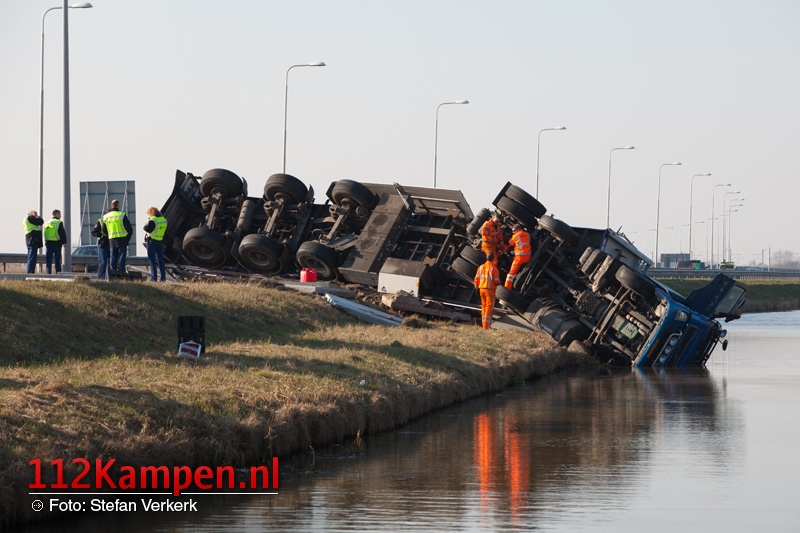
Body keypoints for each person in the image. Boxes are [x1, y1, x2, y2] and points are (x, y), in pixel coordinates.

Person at [102, 199, 133, 274]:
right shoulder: (122, 215)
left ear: (111, 206)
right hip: (122, 239)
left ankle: (113, 275)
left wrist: (109, 235)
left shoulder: (106, 216)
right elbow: (129, 229)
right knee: (121, 259)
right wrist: (127, 239)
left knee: (113, 258)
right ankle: (121, 274)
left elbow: (103, 229)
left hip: (112, 240)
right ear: (118, 206)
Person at [474, 252, 501, 330]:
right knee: (489, 307)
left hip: (481, 289)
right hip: (490, 290)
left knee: (484, 306)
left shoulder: (481, 267)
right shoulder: (494, 268)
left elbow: (476, 279)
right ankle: (486, 326)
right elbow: (496, 281)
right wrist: (499, 282)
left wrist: (476, 288)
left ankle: (484, 325)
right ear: (493, 258)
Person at [143, 206, 168, 282]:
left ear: (151, 213)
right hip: (160, 241)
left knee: (152, 260)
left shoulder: (153, 220)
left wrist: (147, 223)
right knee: (160, 260)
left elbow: (147, 229)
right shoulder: (164, 219)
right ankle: (163, 278)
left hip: (152, 241)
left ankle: (154, 278)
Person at [504, 223, 531, 289]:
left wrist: (508, 238)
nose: (513, 232)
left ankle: (507, 288)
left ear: (518, 229)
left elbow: (511, 243)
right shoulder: (527, 234)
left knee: (510, 274)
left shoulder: (516, 236)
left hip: (519, 258)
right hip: (528, 257)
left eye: (513, 231)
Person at [43, 209, 67, 274]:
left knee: (48, 260)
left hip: (48, 243)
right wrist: (64, 243)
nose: (60, 216)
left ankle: (48, 274)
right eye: (59, 214)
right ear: (56, 214)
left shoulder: (47, 222)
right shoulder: (59, 222)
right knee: (57, 260)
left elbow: (45, 232)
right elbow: (62, 233)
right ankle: (58, 274)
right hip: (56, 243)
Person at [91, 210, 111, 280]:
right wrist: (102, 236)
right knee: (103, 262)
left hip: (112, 244)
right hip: (103, 244)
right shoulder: (101, 221)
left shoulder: (113, 221)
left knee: (110, 263)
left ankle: (109, 279)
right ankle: (101, 278)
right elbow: (94, 232)